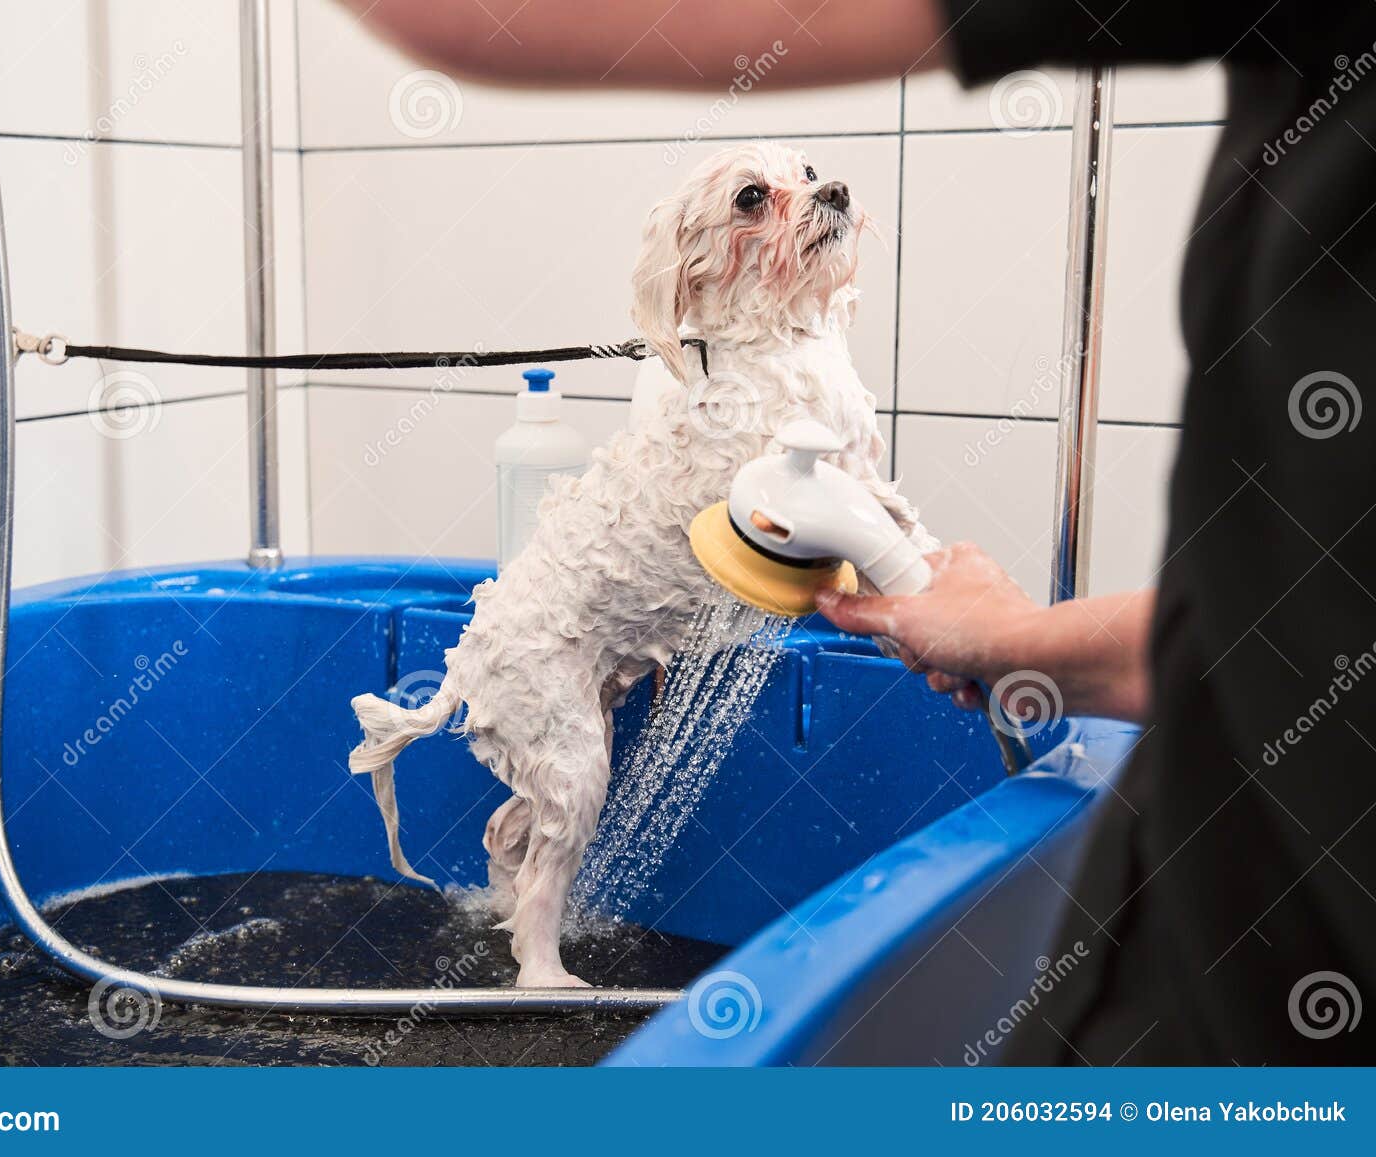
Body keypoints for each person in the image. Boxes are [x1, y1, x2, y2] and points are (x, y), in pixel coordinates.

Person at [347, 0, 1376, 1064]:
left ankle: (519, 890)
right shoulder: (713, 402)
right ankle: (533, 957)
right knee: (573, 780)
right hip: (552, 633)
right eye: (758, 201)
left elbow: (857, 497)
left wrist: (965, 602)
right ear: (696, 270)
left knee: (573, 784)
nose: (813, 197)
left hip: (1262, 932)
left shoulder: (809, 371)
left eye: (807, 179)